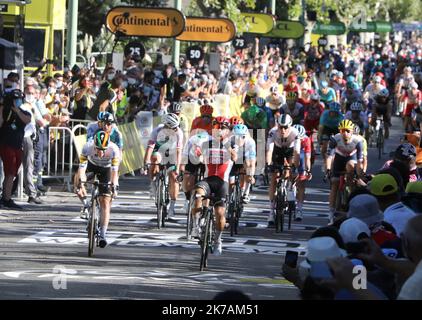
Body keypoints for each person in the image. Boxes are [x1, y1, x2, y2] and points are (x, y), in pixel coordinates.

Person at [190, 116, 238, 255]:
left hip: (222, 183)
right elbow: (197, 157)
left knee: (220, 214)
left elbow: (235, 157)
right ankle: (196, 225)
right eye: (217, 128)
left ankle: (218, 240)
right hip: (208, 180)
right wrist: (197, 153)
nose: (220, 130)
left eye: (223, 128)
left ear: (228, 131)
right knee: (198, 193)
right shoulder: (206, 143)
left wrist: (225, 144)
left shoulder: (232, 144)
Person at [75, 130, 120, 247]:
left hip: (106, 169)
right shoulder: (87, 147)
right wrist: (82, 183)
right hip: (92, 166)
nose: (101, 152)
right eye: (98, 149)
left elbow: (115, 173)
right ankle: (86, 205)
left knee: (105, 201)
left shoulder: (114, 149)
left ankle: (103, 235)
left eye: (103, 150)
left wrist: (114, 186)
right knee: (77, 179)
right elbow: (82, 169)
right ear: (94, 145)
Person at [144, 113, 183, 217]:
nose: (176, 129)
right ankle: (153, 185)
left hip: (172, 153)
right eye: (173, 128)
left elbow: (179, 152)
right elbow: (150, 147)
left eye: (176, 127)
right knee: (155, 158)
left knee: (174, 176)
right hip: (159, 151)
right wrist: (146, 162)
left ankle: (172, 206)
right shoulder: (157, 131)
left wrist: (177, 168)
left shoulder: (179, 133)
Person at [325, 119, 364, 221]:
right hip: (339, 158)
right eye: (342, 131)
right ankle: (331, 211)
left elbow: (360, 161)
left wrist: (360, 174)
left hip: (351, 158)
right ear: (340, 131)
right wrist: (328, 170)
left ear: (352, 131)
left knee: (351, 167)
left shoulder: (358, 141)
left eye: (347, 131)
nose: (345, 133)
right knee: (334, 183)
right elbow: (330, 157)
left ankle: (350, 195)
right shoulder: (335, 139)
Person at [265, 114, 300, 227]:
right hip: (277, 151)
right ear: (278, 125)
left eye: (286, 127)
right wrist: (268, 164)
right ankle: (271, 211)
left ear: (290, 126)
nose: (283, 130)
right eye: (281, 127)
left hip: (290, 151)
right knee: (274, 178)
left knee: (289, 171)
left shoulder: (295, 133)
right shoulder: (272, 132)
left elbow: (296, 152)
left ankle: (290, 189)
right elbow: (269, 151)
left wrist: (295, 166)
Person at [0, 89, 32, 209]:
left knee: (13, 173)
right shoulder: (5, 111)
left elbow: (27, 120)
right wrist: (3, 108)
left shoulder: (24, 112)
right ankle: (6, 198)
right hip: (6, 145)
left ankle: (5, 196)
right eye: (15, 99)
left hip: (18, 146)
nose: (17, 101)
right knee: (10, 172)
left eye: (19, 99)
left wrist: (17, 110)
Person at [230, 124, 256, 204]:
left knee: (248, 166)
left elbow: (252, 162)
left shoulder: (250, 142)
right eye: (237, 137)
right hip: (232, 159)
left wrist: (251, 175)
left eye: (243, 137)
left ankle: (246, 193)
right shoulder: (229, 140)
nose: (240, 139)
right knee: (230, 184)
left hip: (245, 158)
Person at [292, 124, 312, 221]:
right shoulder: (289, 136)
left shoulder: (306, 140)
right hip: (290, 153)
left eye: (300, 139)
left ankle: (299, 208)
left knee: (302, 156)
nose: (298, 141)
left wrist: (307, 170)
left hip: (301, 155)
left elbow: (308, 158)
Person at [318, 102, 344, 167]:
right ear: (329, 110)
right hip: (327, 128)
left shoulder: (341, 116)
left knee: (339, 143)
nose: (334, 114)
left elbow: (342, 130)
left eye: (336, 112)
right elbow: (321, 127)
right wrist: (319, 137)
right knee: (324, 144)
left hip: (336, 128)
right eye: (332, 112)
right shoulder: (325, 114)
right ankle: (325, 160)